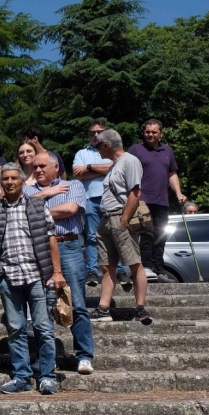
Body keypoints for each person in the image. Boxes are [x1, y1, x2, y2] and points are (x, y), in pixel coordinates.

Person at [0, 163, 65, 395]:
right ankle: (21, 376)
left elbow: (51, 239)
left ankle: (47, 376)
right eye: (5, 179)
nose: (9, 182)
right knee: (16, 329)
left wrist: (57, 272)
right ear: (1, 183)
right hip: (9, 277)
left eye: (13, 178)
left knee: (43, 327)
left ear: (21, 182)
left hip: (37, 274)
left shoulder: (37, 205)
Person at [24, 153, 95, 375]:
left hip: (69, 246)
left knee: (77, 303)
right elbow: (22, 213)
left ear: (56, 167)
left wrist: (38, 209)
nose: (38, 170)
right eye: (35, 167)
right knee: (42, 307)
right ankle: (47, 358)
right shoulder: (27, 189)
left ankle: (84, 356)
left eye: (42, 166)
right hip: (41, 249)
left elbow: (70, 210)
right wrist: (46, 194)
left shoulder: (73, 185)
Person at [92, 129, 152, 326]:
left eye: (97, 145)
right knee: (106, 266)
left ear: (106, 146)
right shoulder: (114, 165)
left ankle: (140, 308)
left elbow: (135, 192)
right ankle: (103, 309)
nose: (96, 149)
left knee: (134, 263)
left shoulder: (130, 161)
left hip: (119, 216)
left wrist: (125, 218)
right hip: (106, 219)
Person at [128, 119, 186, 282]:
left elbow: (172, 174)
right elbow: (125, 170)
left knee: (161, 234)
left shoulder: (167, 150)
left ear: (161, 133)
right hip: (142, 200)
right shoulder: (136, 149)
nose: (150, 135)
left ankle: (158, 269)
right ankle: (146, 268)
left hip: (162, 200)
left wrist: (178, 193)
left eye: (154, 132)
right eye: (147, 132)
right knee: (147, 234)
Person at [72, 119, 111, 287]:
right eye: (92, 133)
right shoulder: (81, 153)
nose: (95, 135)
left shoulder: (112, 150)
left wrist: (88, 168)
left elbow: (116, 166)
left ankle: (121, 270)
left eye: (99, 132)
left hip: (111, 198)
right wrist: (103, 169)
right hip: (89, 199)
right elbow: (77, 174)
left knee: (116, 234)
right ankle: (92, 271)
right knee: (91, 236)